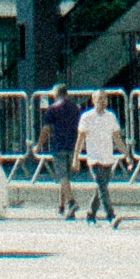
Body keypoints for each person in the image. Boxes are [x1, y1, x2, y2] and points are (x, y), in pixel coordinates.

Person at [75, 90, 126, 227]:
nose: (102, 101)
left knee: (101, 187)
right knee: (102, 187)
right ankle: (111, 216)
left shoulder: (111, 116)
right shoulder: (87, 117)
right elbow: (80, 139)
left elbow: (117, 138)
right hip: (94, 158)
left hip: (108, 158)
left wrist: (127, 154)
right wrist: (76, 158)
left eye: (104, 98)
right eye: (99, 99)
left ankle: (91, 213)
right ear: (93, 100)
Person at [41, 87, 84, 218]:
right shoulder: (75, 108)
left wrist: (38, 145)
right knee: (65, 178)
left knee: (62, 177)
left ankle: (71, 202)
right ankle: (61, 207)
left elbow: (46, 129)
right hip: (72, 145)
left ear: (56, 94)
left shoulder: (52, 109)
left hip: (58, 145)